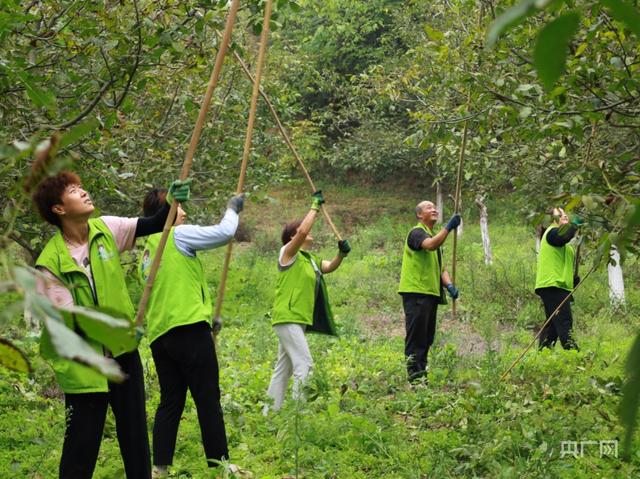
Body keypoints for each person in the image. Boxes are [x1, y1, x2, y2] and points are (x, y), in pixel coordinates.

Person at [32, 157, 190, 477]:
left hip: (123, 357)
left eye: (81, 187)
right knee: (81, 446)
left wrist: (171, 203)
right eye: (75, 191)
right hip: (85, 366)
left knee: (134, 437)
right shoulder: (50, 263)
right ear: (59, 209)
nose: (84, 192)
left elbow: (154, 223)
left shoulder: (106, 229)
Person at [138, 188, 243, 477]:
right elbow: (224, 233)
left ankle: (159, 467)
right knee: (208, 397)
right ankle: (220, 464)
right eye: (178, 207)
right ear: (165, 211)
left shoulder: (147, 253)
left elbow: (172, 288)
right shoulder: (177, 235)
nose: (184, 212)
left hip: (161, 337)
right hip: (188, 331)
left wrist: (207, 317)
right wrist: (232, 208)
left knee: (170, 401)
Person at [265, 191, 351, 412]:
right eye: (303, 233)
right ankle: (296, 415)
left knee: (282, 369)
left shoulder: (310, 260)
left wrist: (340, 254)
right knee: (305, 365)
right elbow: (303, 230)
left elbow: (329, 267)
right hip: (287, 316)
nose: (309, 234)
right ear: (293, 237)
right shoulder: (288, 253)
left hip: (298, 318)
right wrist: (314, 207)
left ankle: (268, 414)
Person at [398, 201, 461, 383]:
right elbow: (431, 245)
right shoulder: (417, 233)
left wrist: (449, 286)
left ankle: (421, 374)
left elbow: (441, 269)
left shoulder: (433, 236)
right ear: (419, 215)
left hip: (430, 294)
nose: (434, 209)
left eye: (435, 207)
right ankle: (415, 377)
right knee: (416, 336)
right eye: (428, 207)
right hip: (416, 292)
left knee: (426, 337)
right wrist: (448, 227)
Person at [535, 207, 582, 350]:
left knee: (553, 325)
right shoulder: (552, 233)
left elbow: (560, 261)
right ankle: (574, 354)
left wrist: (572, 279)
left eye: (565, 213)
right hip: (552, 285)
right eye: (560, 214)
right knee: (564, 321)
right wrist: (575, 225)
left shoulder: (563, 242)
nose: (565, 215)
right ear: (551, 219)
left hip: (558, 285)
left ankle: (543, 352)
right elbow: (564, 236)